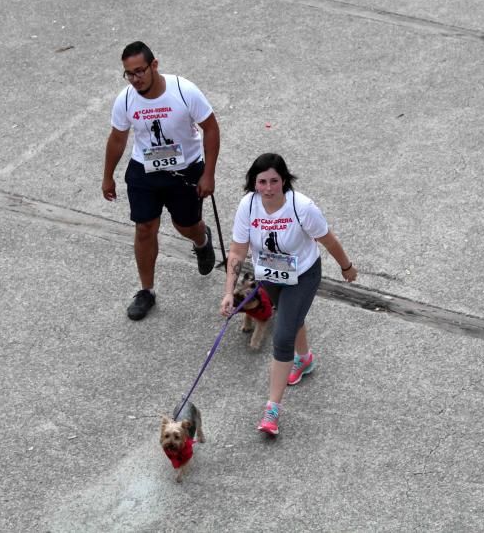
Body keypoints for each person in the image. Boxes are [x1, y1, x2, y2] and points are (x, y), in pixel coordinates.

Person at [219, 153, 357, 436]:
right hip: (269, 275)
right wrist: (228, 292)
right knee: (292, 317)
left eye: (274, 181)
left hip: (302, 275)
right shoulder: (248, 205)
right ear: (253, 183)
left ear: (284, 181)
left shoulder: (302, 207)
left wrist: (347, 267)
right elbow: (237, 250)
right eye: (262, 182)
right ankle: (305, 358)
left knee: (282, 336)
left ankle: (271, 411)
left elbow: (328, 239)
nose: (268, 188)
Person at [103, 41, 221, 320]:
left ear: (154, 65)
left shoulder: (184, 91)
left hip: (185, 170)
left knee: (186, 226)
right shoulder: (127, 99)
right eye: (129, 74)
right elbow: (118, 138)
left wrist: (209, 173)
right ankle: (147, 291)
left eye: (140, 71)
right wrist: (108, 176)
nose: (135, 79)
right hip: (145, 170)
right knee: (145, 228)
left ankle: (202, 240)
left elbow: (211, 128)